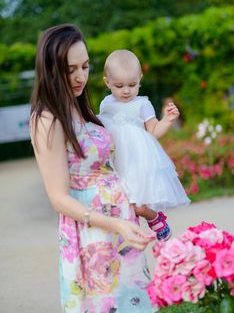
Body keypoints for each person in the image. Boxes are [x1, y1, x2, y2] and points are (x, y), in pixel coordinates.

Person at [30, 25, 156, 313]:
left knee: (135, 305)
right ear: (50, 69)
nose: (80, 76)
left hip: (121, 221)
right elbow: (59, 198)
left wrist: (135, 205)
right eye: (70, 68)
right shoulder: (47, 119)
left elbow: (106, 169)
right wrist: (114, 224)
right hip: (93, 231)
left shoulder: (80, 107)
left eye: (85, 66)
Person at [99, 49, 190, 241]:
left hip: (137, 163)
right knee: (122, 203)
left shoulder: (142, 104)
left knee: (138, 205)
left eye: (132, 85)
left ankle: (155, 217)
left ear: (140, 78)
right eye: (119, 85)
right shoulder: (106, 104)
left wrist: (167, 120)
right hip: (116, 162)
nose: (126, 90)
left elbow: (153, 131)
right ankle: (130, 235)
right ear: (107, 82)